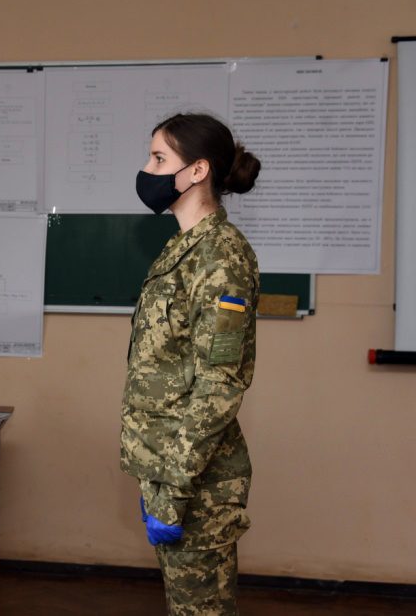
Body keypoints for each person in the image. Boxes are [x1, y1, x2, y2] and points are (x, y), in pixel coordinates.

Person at [121, 113, 262, 615]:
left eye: (159, 159)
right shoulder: (183, 247)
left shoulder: (221, 256)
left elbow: (218, 385)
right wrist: (156, 478)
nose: (147, 169)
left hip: (195, 483)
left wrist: (175, 488)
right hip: (168, 471)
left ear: (198, 170)